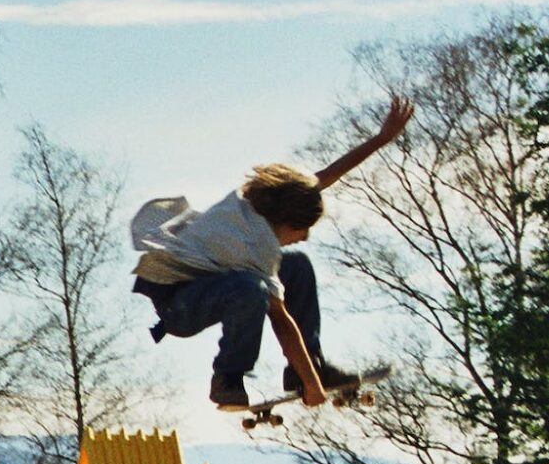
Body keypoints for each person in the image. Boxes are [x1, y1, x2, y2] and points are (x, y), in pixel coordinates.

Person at [131, 96, 414, 409]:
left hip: (210, 284)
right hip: (179, 307)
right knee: (252, 289)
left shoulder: (264, 202)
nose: (304, 237)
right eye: (302, 229)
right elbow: (280, 319)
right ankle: (228, 378)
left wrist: (381, 138)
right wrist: (312, 387)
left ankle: (306, 366)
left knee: (296, 266)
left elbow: (323, 178)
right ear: (286, 222)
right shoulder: (254, 245)